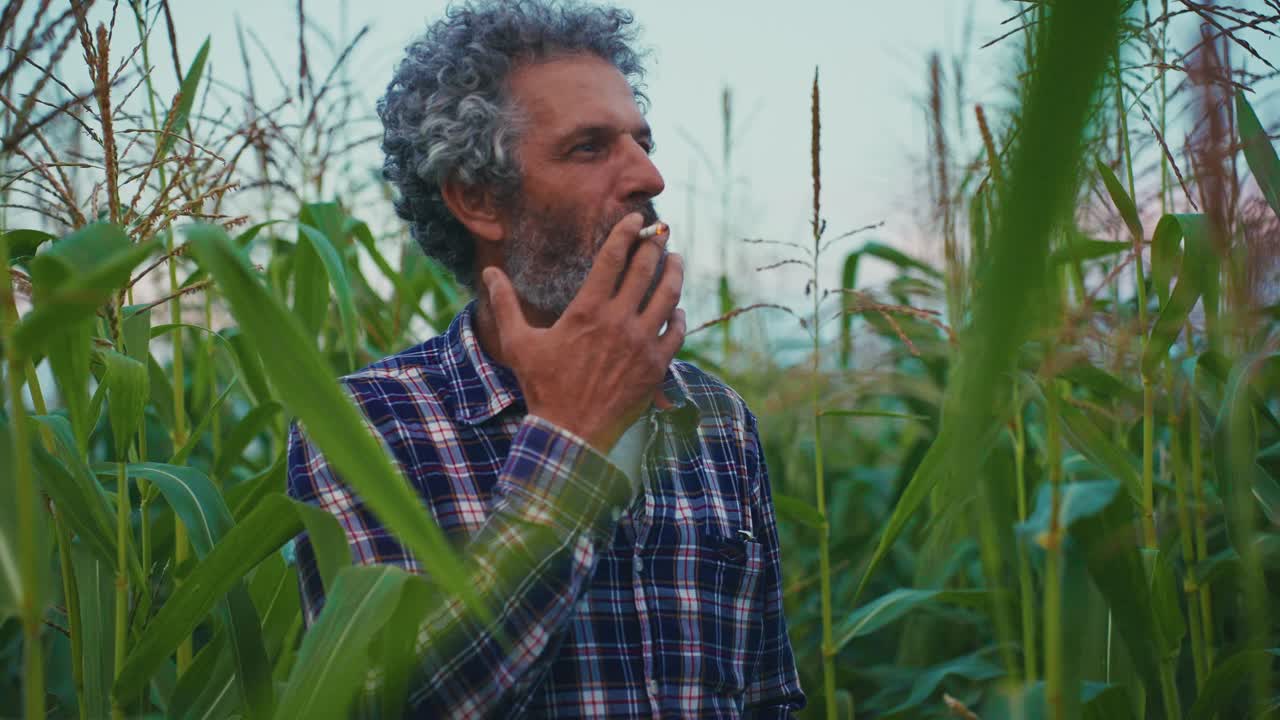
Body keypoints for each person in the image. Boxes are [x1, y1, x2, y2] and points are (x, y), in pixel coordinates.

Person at [286, 1, 805, 716]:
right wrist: (569, 442)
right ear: (478, 200)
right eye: (589, 147)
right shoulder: (366, 425)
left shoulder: (715, 418)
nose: (649, 176)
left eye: (642, 141)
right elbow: (377, 700)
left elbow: (768, 698)